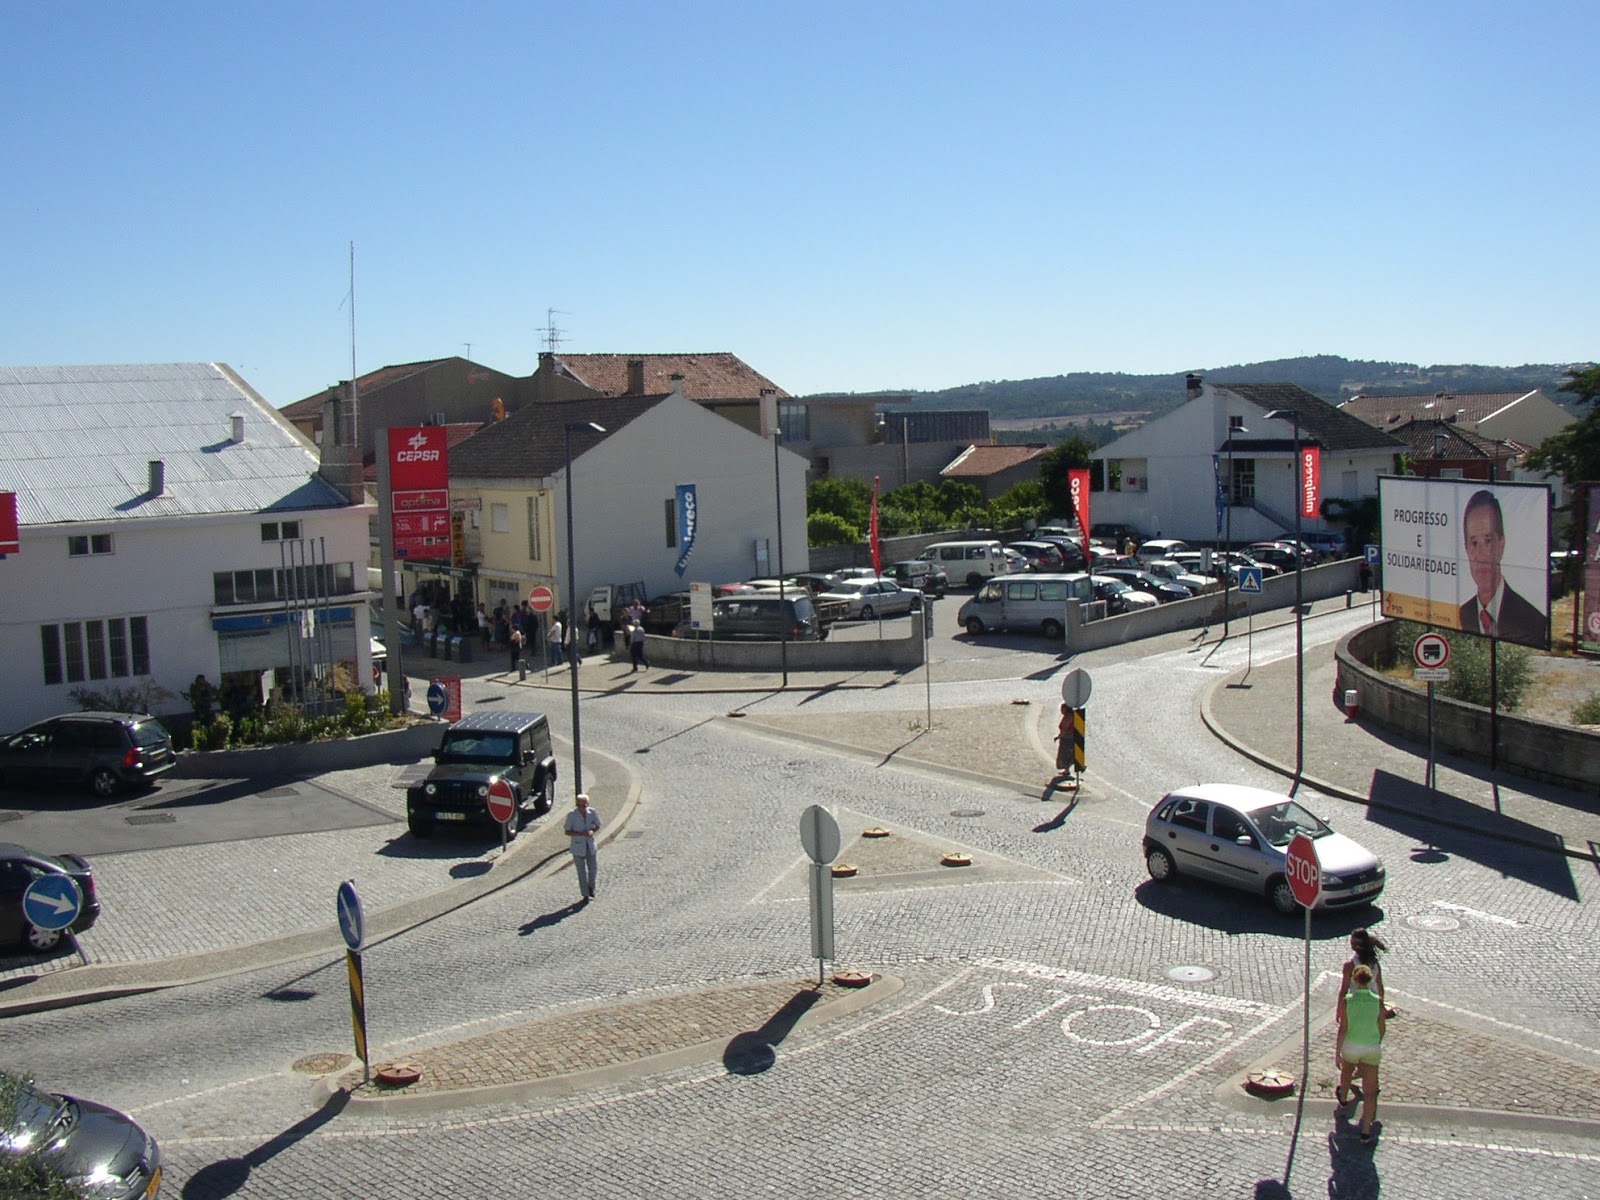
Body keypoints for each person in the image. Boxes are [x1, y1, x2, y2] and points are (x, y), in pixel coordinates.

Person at [1456, 489, 1545, 643]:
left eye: (1488, 541)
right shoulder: (1465, 613)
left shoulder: (1532, 621)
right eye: (1474, 543)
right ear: (1466, 549)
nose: (1481, 555)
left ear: (1501, 545)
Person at [1335, 963, 1387, 1144]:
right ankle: (1365, 1131)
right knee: (1370, 1092)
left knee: (1347, 1072)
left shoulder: (1348, 1000)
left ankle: (1343, 1098)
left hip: (1351, 1045)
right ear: (1371, 980)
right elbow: (1382, 1027)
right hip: (1371, 1048)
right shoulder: (1378, 1001)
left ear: (1354, 981)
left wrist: (1337, 1052)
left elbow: (1343, 1028)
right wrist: (1376, 1040)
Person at [564, 791, 601, 900]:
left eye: (584, 805)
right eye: (579, 805)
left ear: (587, 804)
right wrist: (580, 834)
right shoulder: (572, 815)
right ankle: (585, 893)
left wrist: (592, 831)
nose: (581, 807)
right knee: (581, 872)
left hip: (590, 845)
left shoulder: (592, 812)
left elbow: (598, 825)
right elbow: (567, 831)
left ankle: (591, 887)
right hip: (578, 846)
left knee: (593, 869)